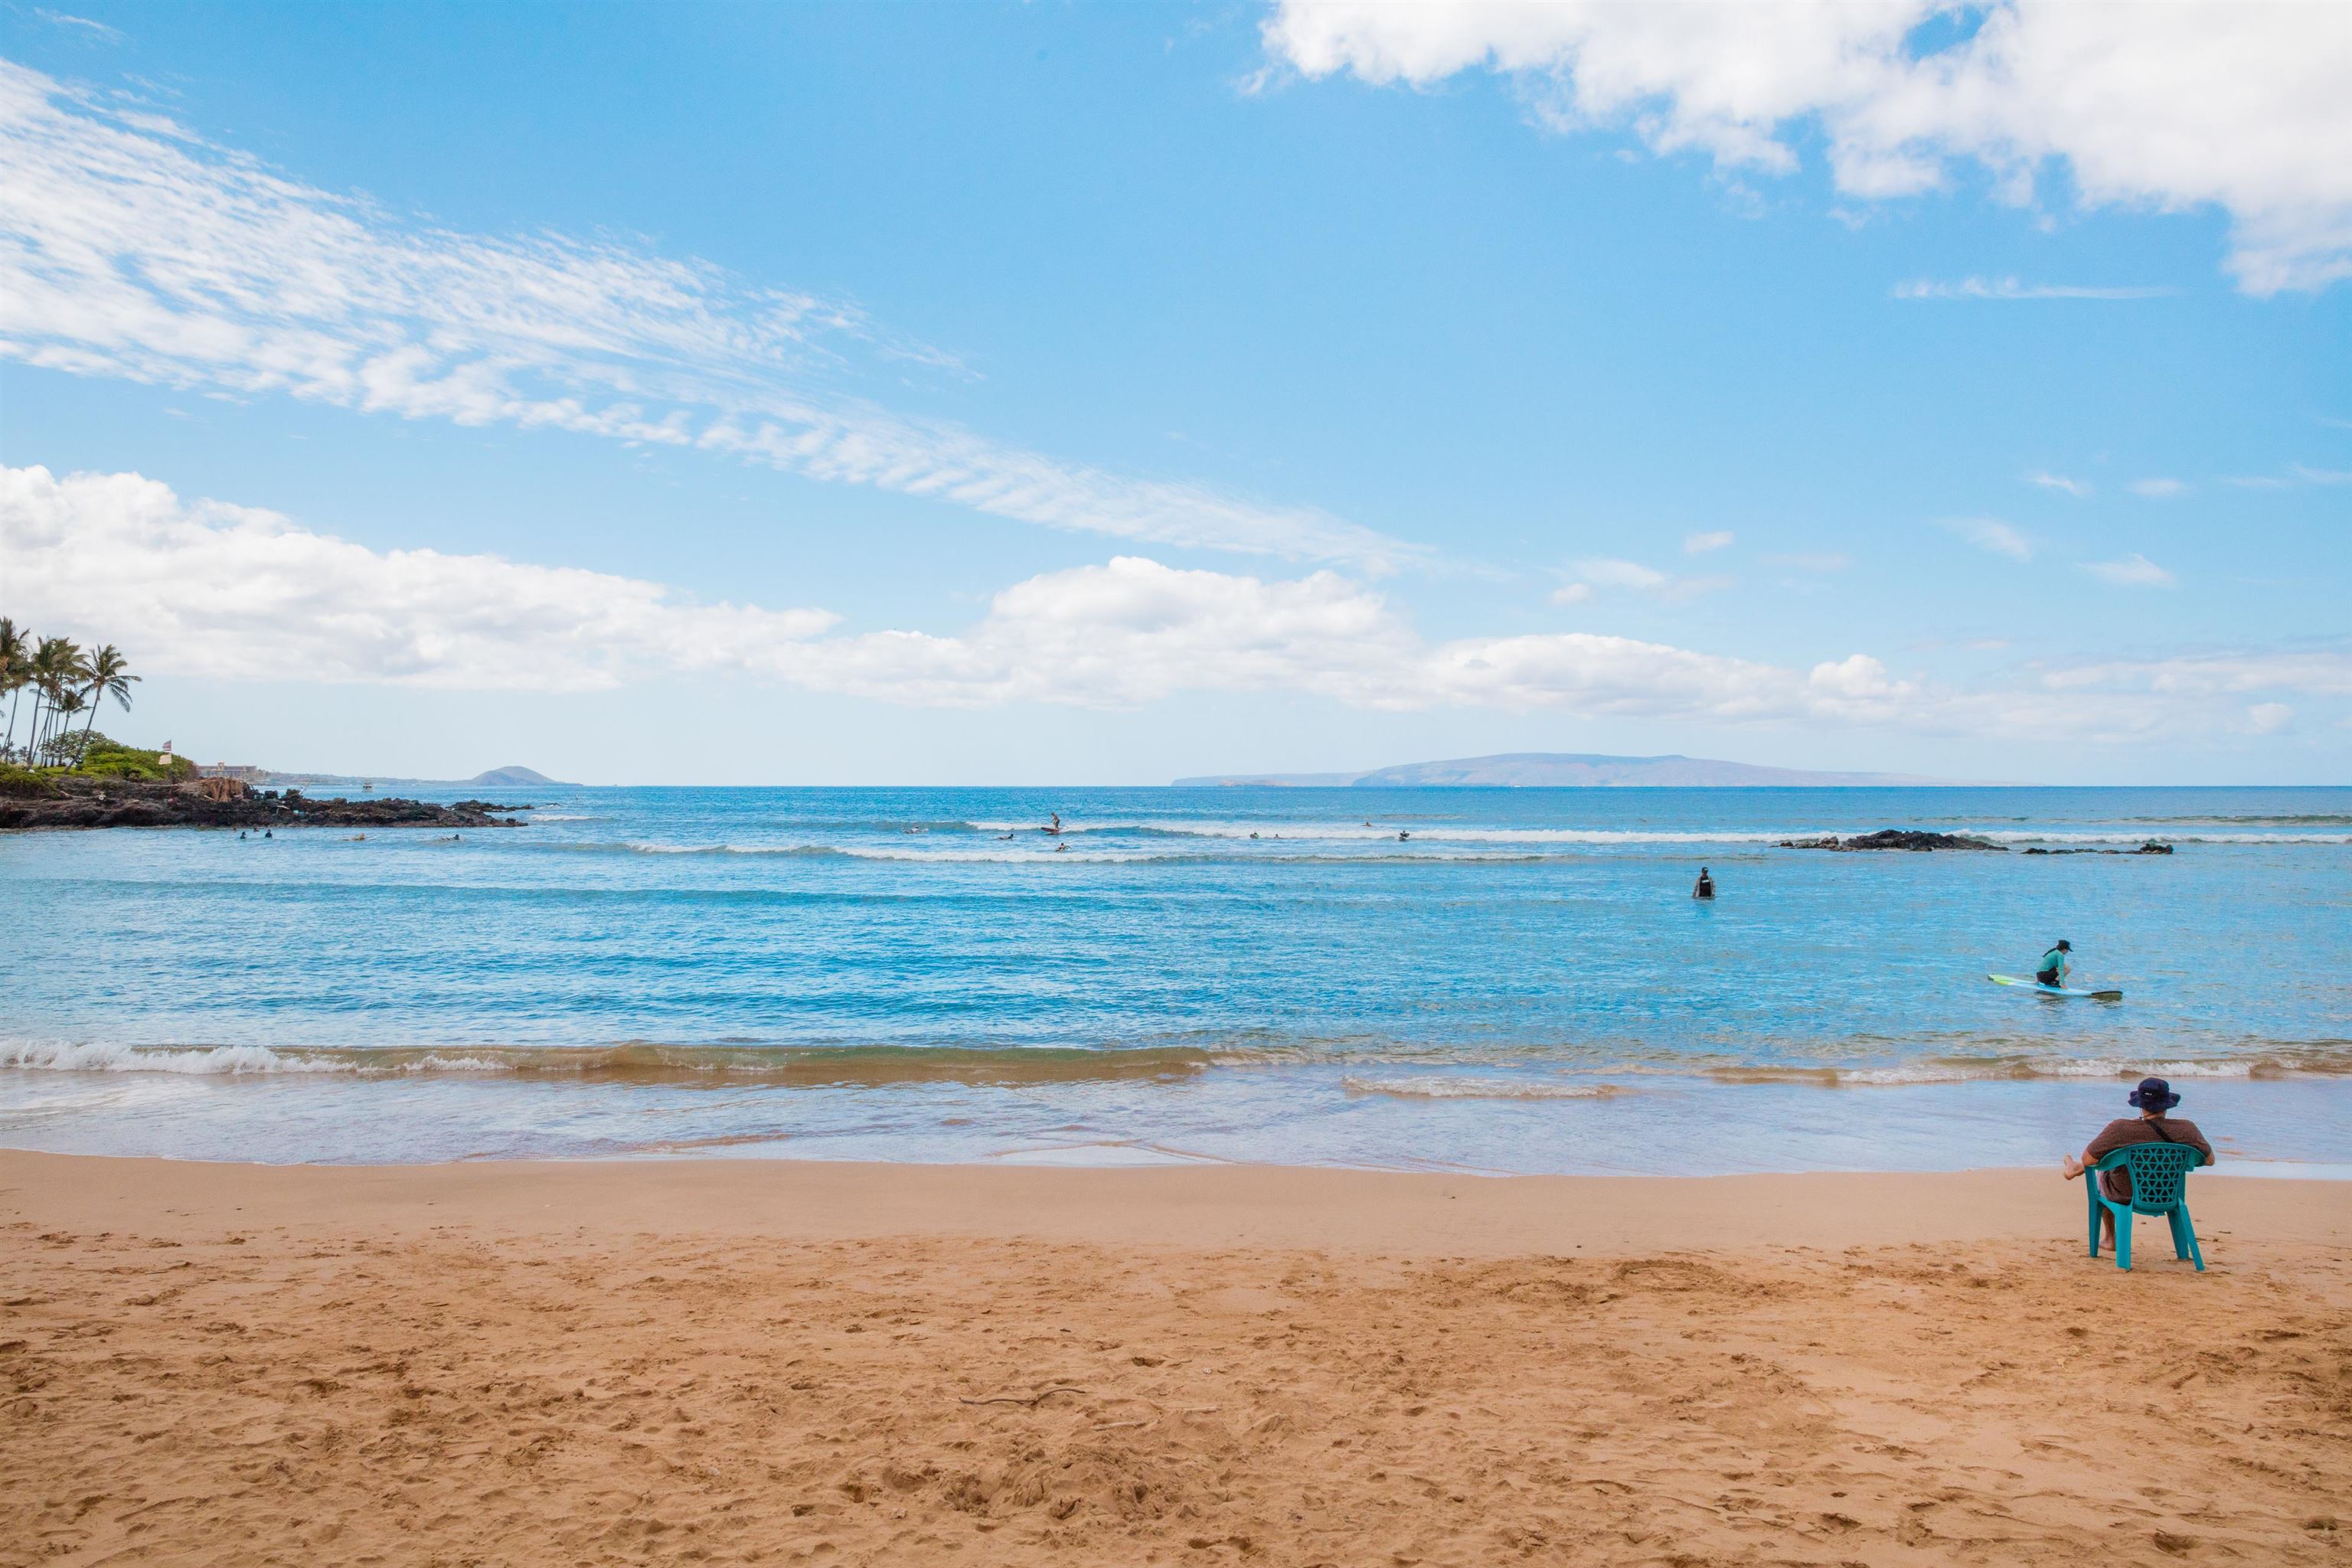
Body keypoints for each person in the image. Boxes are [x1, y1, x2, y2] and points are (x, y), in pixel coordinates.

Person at [2062, 1077, 2215, 1249]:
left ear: (2140, 1104)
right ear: (2167, 1104)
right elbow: (2209, 1160)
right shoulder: (2187, 1129)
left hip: (2126, 1194)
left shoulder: (2121, 1128)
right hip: (2168, 1195)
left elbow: (2089, 1159)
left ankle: (2111, 1238)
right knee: (2115, 1163)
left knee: (2104, 1168)